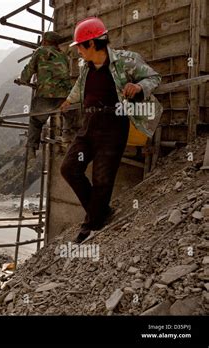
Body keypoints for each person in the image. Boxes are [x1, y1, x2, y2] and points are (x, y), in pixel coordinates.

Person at [60, 17, 162, 243]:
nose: (78, 51)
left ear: (93, 44)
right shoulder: (85, 67)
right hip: (89, 124)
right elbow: (79, 86)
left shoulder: (126, 61)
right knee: (69, 168)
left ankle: (90, 226)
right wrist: (68, 101)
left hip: (114, 125)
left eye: (80, 46)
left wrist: (138, 87)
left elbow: (154, 77)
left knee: (102, 179)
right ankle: (101, 212)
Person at [16, 31, 72, 159]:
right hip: (65, 96)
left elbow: (29, 69)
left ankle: (31, 148)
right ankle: (67, 138)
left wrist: (23, 80)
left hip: (46, 95)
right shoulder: (63, 56)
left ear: (45, 41)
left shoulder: (40, 51)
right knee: (69, 118)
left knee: (36, 120)